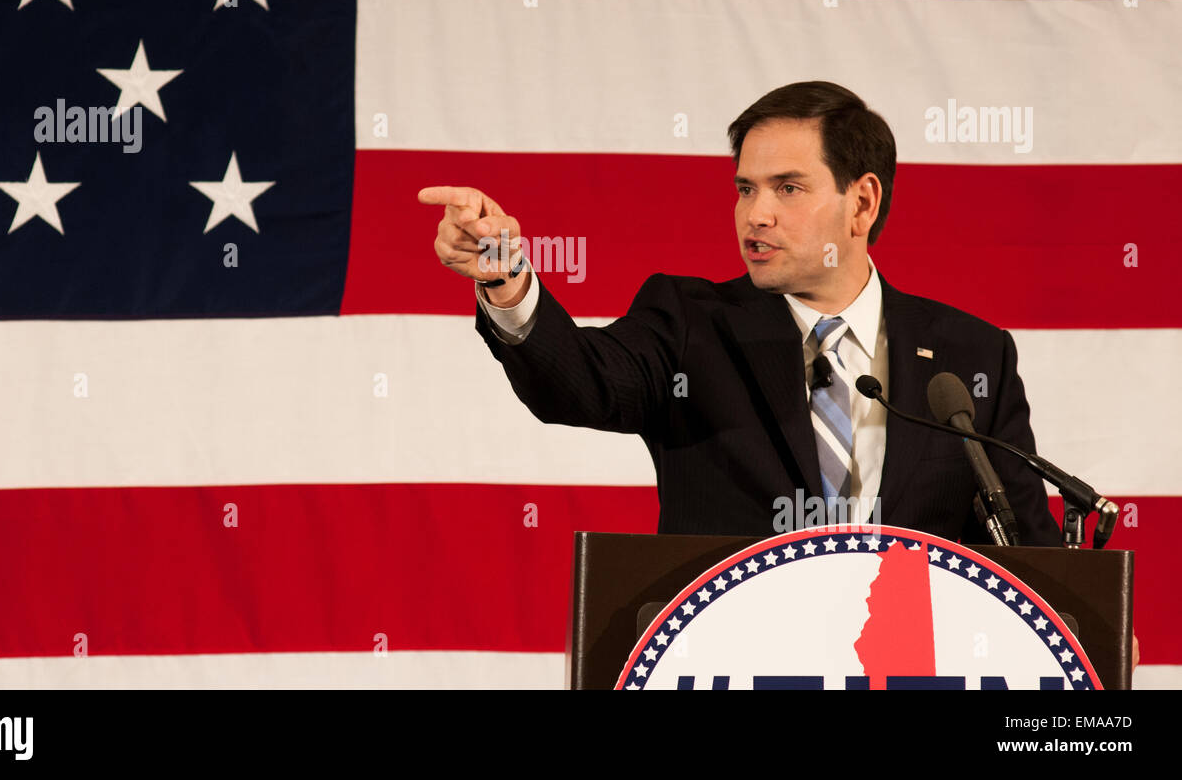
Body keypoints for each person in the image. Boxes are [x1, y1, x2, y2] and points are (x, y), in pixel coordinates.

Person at [419, 80, 1063, 546]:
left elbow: (1027, 548)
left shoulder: (971, 357)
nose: (756, 214)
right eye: (746, 189)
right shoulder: (691, 324)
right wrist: (506, 277)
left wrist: (1085, 622)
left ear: (862, 203)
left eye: (788, 188)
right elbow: (580, 385)